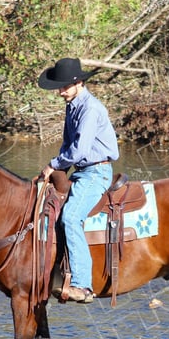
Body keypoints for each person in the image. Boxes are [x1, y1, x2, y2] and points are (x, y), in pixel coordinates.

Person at [38, 57, 120, 303]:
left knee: (72, 218)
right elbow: (67, 144)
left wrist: (53, 165)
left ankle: (83, 285)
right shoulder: (73, 105)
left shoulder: (90, 109)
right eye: (59, 87)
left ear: (79, 83)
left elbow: (80, 150)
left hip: (95, 172)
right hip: (82, 171)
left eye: (65, 87)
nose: (61, 92)